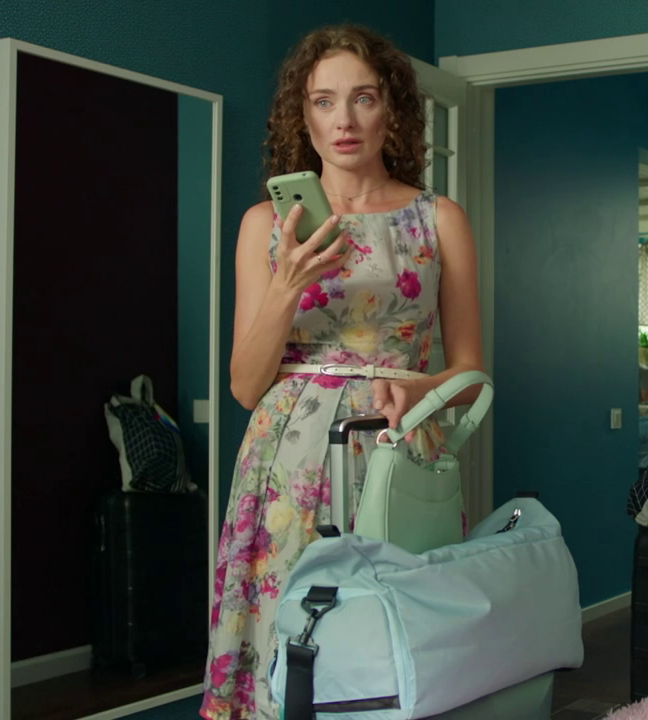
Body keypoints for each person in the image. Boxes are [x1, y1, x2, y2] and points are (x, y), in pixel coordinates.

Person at [200, 24, 483, 720]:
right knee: (287, 640)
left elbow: (471, 374)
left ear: (392, 109)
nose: (344, 120)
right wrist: (287, 284)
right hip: (286, 465)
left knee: (396, 641)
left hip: (396, 450)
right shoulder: (264, 225)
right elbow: (245, 387)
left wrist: (419, 388)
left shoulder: (439, 219)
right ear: (303, 118)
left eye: (363, 97)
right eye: (324, 101)